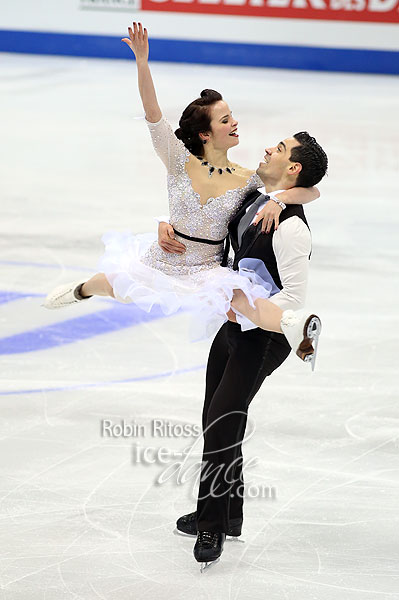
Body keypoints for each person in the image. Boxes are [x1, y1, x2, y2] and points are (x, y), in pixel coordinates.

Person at [43, 22, 319, 349]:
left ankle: (293, 325)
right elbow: (153, 114)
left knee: (243, 305)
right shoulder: (177, 160)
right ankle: (81, 290)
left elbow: (312, 190)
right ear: (205, 133)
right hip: (162, 260)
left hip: (206, 269)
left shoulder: (249, 178)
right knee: (114, 285)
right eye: (226, 119)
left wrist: (280, 200)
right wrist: (142, 64)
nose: (235, 123)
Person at [168, 128, 328, 569]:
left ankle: (213, 523)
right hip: (233, 325)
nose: (266, 149)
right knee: (215, 417)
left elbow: (294, 297)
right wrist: (277, 197)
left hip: (265, 337)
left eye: (277, 149)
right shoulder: (259, 195)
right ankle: (229, 514)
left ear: (291, 166)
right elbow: (311, 187)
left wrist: (248, 308)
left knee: (222, 423)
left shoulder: (293, 230)